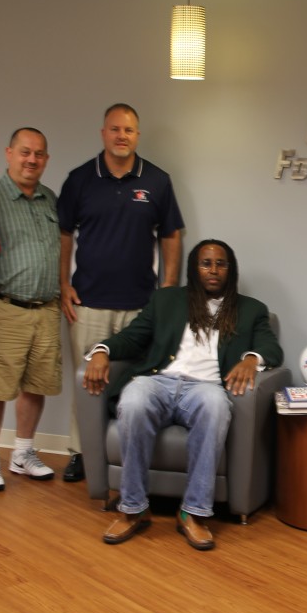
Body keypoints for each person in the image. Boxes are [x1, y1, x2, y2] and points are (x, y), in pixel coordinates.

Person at [82, 239, 282, 550]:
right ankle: (133, 508)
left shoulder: (251, 309)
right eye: (206, 263)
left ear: (231, 269)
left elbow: (272, 348)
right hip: (158, 381)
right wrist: (102, 350)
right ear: (194, 267)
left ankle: (193, 512)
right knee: (133, 401)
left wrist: (251, 359)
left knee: (216, 407)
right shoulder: (167, 301)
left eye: (220, 263)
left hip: (206, 388)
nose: (213, 270)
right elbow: (134, 337)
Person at [58, 103, 185, 483]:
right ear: (103, 133)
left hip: (140, 306)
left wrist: (167, 289)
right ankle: (81, 451)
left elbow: (171, 235)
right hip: (89, 303)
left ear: (137, 135)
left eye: (128, 130)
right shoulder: (80, 179)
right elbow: (64, 233)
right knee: (87, 382)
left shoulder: (157, 181)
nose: (121, 136)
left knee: (136, 383)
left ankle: (128, 449)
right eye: (114, 129)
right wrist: (63, 283)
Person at [0, 128, 61, 492]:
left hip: (47, 308)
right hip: (5, 308)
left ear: (46, 160)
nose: (32, 160)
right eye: (25, 152)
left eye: (39, 154)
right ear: (9, 153)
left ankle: (23, 453)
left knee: (36, 384)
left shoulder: (50, 198)